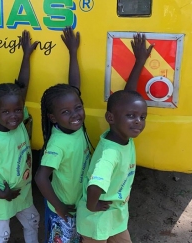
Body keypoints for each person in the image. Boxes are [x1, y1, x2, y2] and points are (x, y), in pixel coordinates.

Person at [76, 33, 153, 243]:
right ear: (111, 118)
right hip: (97, 217)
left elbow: (128, 99)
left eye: (142, 117)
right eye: (131, 116)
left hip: (116, 214)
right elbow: (95, 186)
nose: (138, 121)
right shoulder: (110, 153)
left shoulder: (123, 136)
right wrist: (92, 205)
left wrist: (139, 62)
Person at [0, 30, 40, 243]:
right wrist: (1, 194)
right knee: (2, 235)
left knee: (33, 220)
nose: (13, 116)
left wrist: (26, 55)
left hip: (22, 191)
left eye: (17, 110)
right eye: (6, 112)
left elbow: (23, 86)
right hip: (1, 197)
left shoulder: (20, 121)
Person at [34, 27, 90, 243]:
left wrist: (73, 52)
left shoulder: (74, 125)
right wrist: (59, 207)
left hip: (78, 203)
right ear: (53, 118)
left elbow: (75, 87)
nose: (75, 114)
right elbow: (40, 177)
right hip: (63, 208)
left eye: (78, 107)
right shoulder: (58, 143)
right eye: (66, 112)